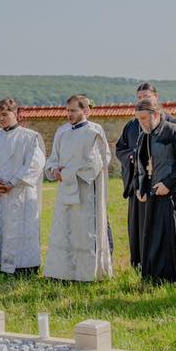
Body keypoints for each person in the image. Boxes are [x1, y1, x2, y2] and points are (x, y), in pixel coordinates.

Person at [44, 95, 113, 281]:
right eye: (67, 110)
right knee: (64, 230)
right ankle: (62, 272)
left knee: (84, 232)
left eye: (74, 110)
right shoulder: (61, 131)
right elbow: (53, 157)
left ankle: (85, 274)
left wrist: (67, 173)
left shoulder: (94, 131)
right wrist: (54, 169)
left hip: (86, 191)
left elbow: (98, 161)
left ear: (86, 110)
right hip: (65, 191)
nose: (69, 114)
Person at [0, 98, 46, 277]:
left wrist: (13, 183)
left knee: (23, 230)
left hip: (21, 193)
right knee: (0, 229)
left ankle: (25, 269)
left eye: (5, 114)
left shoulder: (30, 137)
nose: (1, 118)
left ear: (16, 113)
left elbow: (35, 164)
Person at [115, 83, 176, 270]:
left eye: (146, 96)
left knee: (157, 224)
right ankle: (139, 262)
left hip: (160, 182)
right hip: (138, 181)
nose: (142, 100)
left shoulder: (170, 123)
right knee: (138, 225)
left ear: (156, 97)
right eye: (139, 97)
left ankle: (157, 264)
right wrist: (131, 156)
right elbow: (120, 149)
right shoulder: (132, 125)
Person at [134, 97, 176, 284]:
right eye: (138, 119)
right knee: (155, 238)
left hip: (174, 194)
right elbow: (142, 165)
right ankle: (156, 278)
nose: (141, 123)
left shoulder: (173, 131)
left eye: (143, 118)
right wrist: (141, 187)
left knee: (174, 238)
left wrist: (168, 184)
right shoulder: (144, 136)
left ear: (155, 114)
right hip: (154, 194)